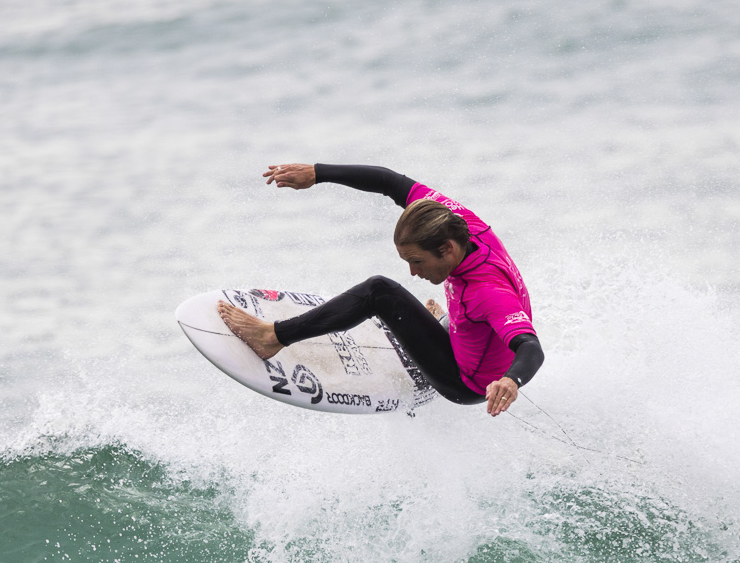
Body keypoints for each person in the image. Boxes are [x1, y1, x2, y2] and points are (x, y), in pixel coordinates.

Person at [217, 164, 543, 417]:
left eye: (417, 261)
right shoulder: (457, 221)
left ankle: (273, 337)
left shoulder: (488, 293)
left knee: (380, 291)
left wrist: (511, 380)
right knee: (404, 298)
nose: (413, 272)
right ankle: (448, 324)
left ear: (446, 249)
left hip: (465, 381)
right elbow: (390, 182)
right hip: (470, 338)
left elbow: (530, 346)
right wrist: (317, 174)